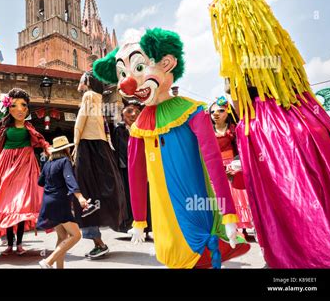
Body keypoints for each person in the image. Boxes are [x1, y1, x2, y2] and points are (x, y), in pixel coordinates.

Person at [93, 28, 250, 269]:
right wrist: (139, 220)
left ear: (167, 63)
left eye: (138, 68)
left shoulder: (192, 111)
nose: (126, 83)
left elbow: (213, 161)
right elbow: (136, 175)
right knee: (173, 258)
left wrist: (228, 213)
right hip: (163, 216)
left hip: (197, 209)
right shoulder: (139, 126)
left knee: (199, 257)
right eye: (122, 74)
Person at [210, 0, 330, 268]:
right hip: (307, 121)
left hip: (271, 133)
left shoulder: (238, 66)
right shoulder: (281, 51)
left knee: (291, 211)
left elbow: (241, 103)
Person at [0, 88, 52, 256]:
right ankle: (10, 245)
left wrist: (49, 148)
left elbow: (40, 140)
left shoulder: (28, 127)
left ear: (27, 109)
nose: (20, 109)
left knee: (21, 205)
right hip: (6, 166)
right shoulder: (6, 128)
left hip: (25, 165)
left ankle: (19, 244)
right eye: (15, 105)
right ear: (9, 108)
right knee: (7, 205)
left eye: (23, 105)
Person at [72, 71, 126, 260]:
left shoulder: (88, 96)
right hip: (100, 146)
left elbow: (80, 122)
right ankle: (98, 239)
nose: (79, 83)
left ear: (87, 81)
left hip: (88, 146)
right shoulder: (100, 98)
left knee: (85, 190)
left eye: (81, 80)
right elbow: (101, 124)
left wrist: (76, 144)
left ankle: (98, 242)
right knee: (97, 190)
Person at [36, 136, 89, 268]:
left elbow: (40, 182)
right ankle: (48, 261)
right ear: (66, 149)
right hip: (60, 203)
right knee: (76, 235)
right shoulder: (64, 161)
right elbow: (69, 179)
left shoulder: (48, 163)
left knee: (62, 237)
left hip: (48, 202)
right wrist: (80, 197)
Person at [209, 97, 253, 237]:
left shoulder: (234, 129)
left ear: (228, 113)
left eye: (221, 110)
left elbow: (241, 148)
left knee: (239, 197)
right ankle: (225, 227)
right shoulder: (208, 132)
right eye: (212, 112)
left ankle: (243, 228)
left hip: (234, 165)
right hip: (217, 168)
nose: (216, 114)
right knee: (221, 197)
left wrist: (237, 164)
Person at [111, 100, 152, 235]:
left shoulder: (145, 129)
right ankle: (128, 225)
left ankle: (146, 226)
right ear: (123, 113)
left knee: (145, 196)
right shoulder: (119, 129)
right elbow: (118, 150)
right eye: (129, 111)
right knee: (128, 197)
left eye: (137, 112)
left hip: (143, 168)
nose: (133, 115)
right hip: (125, 169)